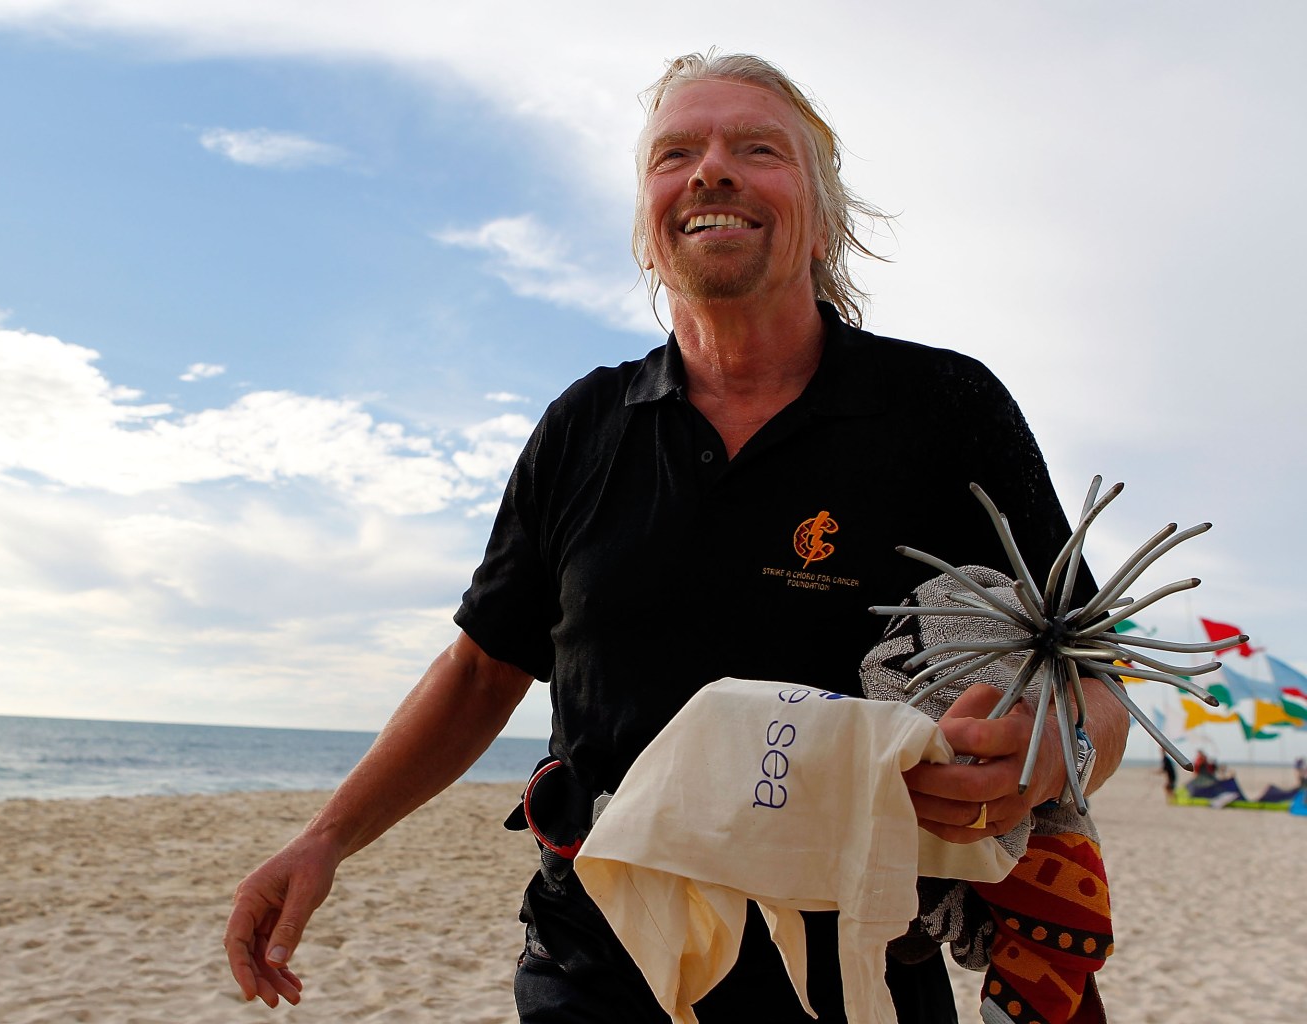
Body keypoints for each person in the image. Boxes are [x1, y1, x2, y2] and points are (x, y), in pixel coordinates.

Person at [224, 52, 1128, 1022]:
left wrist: (1042, 753)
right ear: (647, 231)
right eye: (676, 153)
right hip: (594, 966)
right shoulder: (584, 427)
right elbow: (484, 669)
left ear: (822, 220)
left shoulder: (945, 409)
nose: (710, 170)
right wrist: (325, 837)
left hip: (858, 972)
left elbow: (1096, 681)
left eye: (756, 148)